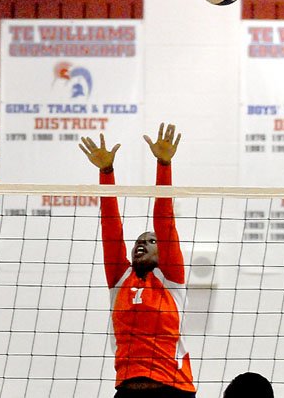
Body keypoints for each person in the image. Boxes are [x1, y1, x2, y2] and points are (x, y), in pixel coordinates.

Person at [79, 123, 196, 398]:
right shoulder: (120, 279)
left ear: (163, 251)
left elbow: (164, 220)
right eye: (138, 241)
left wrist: (163, 164)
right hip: (128, 391)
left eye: (152, 241)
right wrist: (106, 172)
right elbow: (110, 227)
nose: (142, 243)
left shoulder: (171, 281)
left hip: (173, 390)